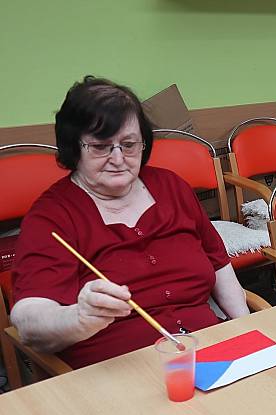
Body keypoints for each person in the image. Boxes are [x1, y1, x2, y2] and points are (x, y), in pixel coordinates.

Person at [10, 76, 249, 369]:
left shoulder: (171, 187)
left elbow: (218, 264)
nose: (118, 158)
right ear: (74, 148)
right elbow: (28, 320)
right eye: (100, 146)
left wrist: (246, 331)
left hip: (208, 353)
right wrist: (78, 318)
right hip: (119, 373)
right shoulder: (52, 215)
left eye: (129, 144)